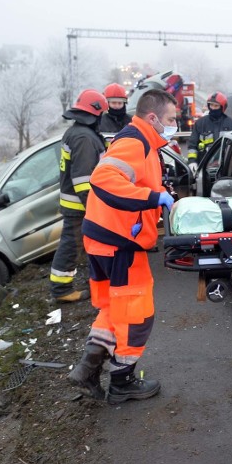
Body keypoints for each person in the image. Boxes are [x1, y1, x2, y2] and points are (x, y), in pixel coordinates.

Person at [68, 89, 177, 403]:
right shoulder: (136, 141)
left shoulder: (138, 140)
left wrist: (157, 188)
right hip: (119, 243)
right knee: (136, 314)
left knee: (114, 308)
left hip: (103, 238)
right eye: (170, 119)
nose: (173, 125)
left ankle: (88, 368)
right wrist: (153, 198)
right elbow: (104, 179)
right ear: (152, 117)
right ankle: (122, 381)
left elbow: (131, 179)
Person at [49, 89, 107, 303]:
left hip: (74, 203)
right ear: (96, 114)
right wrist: (94, 207)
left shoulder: (77, 132)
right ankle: (61, 289)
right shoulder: (83, 137)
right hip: (79, 205)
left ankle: (69, 285)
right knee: (71, 245)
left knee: (75, 244)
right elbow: (83, 180)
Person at [186, 91, 232, 174]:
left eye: (216, 106)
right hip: (204, 167)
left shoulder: (231, 124)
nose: (213, 108)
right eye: (211, 105)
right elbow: (192, 145)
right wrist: (192, 161)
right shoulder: (200, 123)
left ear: (222, 107)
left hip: (226, 168)